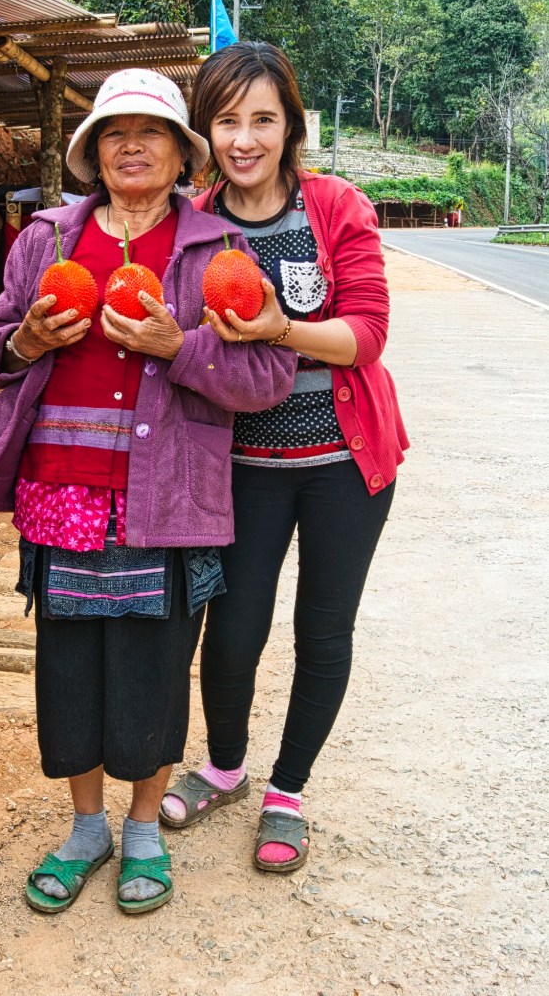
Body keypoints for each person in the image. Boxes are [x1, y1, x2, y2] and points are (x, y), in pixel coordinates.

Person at [0, 67, 296, 913]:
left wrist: (180, 346)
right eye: (114, 133)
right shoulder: (46, 243)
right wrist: (22, 339)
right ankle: (85, 828)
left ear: (179, 155)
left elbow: (270, 375)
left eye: (153, 132)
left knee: (154, 668)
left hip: (166, 495)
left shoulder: (217, 251)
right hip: (63, 487)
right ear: (92, 153)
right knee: (69, 668)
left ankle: (140, 831)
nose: (133, 145)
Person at [161, 43, 409, 873]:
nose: (244, 138)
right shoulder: (190, 221)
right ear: (205, 130)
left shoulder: (335, 206)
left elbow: (366, 335)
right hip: (241, 467)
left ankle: (288, 790)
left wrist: (279, 330)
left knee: (321, 629)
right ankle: (226, 765)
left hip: (345, 460)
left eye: (262, 118)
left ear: (290, 125)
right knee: (231, 631)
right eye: (227, 119)